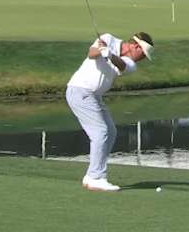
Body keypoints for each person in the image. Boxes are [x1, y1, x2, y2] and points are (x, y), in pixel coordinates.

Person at [66, 32, 155, 191]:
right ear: (135, 46)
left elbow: (121, 65)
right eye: (143, 54)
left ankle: (91, 175)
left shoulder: (131, 63)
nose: (142, 59)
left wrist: (109, 54)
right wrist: (101, 50)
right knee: (100, 133)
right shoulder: (107, 38)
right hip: (80, 91)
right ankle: (96, 177)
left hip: (94, 96)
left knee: (111, 132)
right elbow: (91, 54)